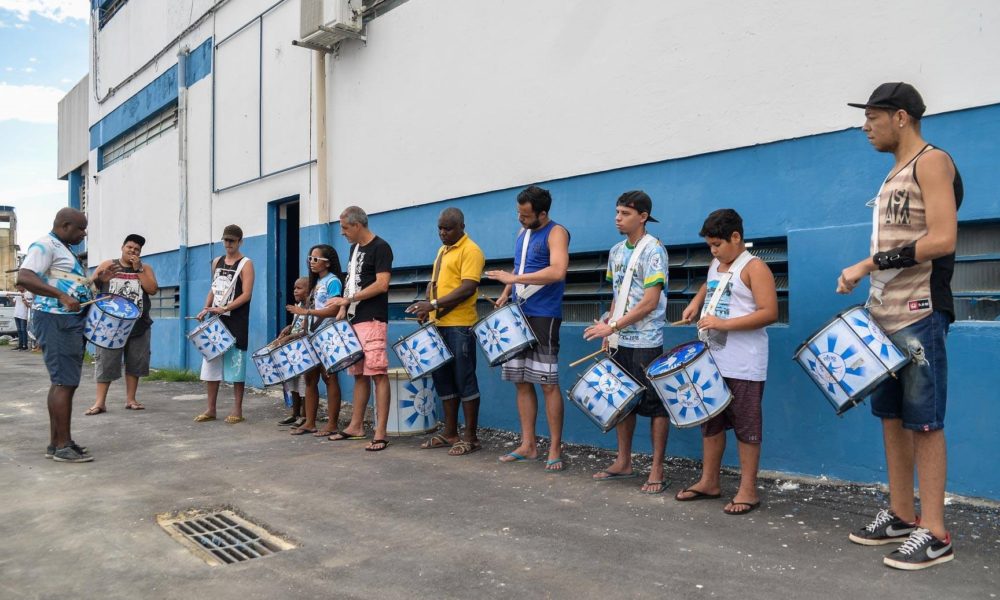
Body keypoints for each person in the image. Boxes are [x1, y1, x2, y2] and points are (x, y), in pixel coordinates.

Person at [839, 82, 962, 570]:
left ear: (901, 117)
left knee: (925, 422)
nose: (865, 126)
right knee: (891, 418)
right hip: (883, 314)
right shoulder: (894, 173)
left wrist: (869, 263)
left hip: (920, 312)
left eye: (873, 116)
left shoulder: (932, 162)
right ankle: (901, 514)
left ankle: (936, 533)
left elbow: (944, 237)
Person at [673, 209, 777, 515]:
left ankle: (748, 490)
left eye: (717, 244)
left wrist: (723, 323)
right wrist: (695, 302)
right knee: (711, 423)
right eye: (710, 246)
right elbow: (711, 284)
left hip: (744, 363)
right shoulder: (717, 263)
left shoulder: (755, 267)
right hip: (713, 359)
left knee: (747, 427)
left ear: (736, 237)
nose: (714, 251)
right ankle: (709, 481)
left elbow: (769, 312)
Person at [16, 207, 119, 463]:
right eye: (80, 228)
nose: (84, 234)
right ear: (65, 225)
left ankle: (59, 442)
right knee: (64, 382)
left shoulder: (64, 249)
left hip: (67, 321)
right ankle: (62, 445)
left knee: (64, 382)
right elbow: (24, 277)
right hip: (56, 320)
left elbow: (69, 285)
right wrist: (61, 296)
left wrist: (97, 282)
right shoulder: (44, 245)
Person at [583, 191, 670, 493]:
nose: (617, 218)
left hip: (646, 340)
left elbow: (649, 302)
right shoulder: (616, 251)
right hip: (619, 338)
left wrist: (614, 326)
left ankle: (657, 468)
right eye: (617, 212)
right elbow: (617, 295)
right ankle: (624, 461)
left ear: (643, 216)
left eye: (625, 213)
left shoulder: (654, 251)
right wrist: (609, 324)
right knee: (623, 401)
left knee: (655, 406)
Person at [485, 185, 569, 471]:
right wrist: (506, 291)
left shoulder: (557, 232)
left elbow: (558, 271)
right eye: (518, 213)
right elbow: (520, 266)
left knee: (547, 383)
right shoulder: (524, 232)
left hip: (544, 314)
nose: (520, 218)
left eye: (525, 215)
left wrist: (514, 277)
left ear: (542, 213)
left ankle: (555, 447)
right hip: (519, 313)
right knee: (521, 380)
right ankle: (528, 444)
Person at [406, 207, 487, 456]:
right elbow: (436, 284)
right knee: (444, 380)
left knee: (465, 379)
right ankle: (450, 432)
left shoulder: (471, 250)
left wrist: (433, 305)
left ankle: (470, 437)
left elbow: (467, 288)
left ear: (462, 226)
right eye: (440, 228)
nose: (442, 233)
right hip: (438, 325)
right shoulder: (443, 251)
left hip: (460, 326)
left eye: (448, 228)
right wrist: (427, 311)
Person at [329, 206, 394, 451]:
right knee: (358, 374)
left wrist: (350, 299)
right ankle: (356, 425)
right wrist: (343, 309)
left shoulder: (381, 247)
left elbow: (382, 284)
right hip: (354, 319)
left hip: (373, 318)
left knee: (377, 373)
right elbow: (350, 281)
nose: (343, 233)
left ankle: (380, 432)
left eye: (345, 228)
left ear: (357, 225)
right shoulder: (353, 249)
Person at [85, 234, 159, 414]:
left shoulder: (145, 268)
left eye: (136, 250)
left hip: (138, 324)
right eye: (130, 247)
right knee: (106, 362)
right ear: (122, 247)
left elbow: (152, 289)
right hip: (111, 326)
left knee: (136, 362)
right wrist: (100, 279)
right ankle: (99, 402)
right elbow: (89, 287)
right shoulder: (108, 265)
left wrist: (138, 269)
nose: (132, 251)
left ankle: (131, 399)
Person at [194, 225, 254, 424]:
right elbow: (213, 289)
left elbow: (246, 294)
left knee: (236, 362)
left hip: (236, 319)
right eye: (226, 240)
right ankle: (211, 408)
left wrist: (225, 307)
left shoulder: (246, 264)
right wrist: (206, 308)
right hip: (216, 319)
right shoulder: (217, 262)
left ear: (240, 242)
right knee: (211, 362)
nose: (228, 244)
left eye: (232, 241)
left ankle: (237, 409)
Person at [286, 244, 345, 437]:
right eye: (310, 258)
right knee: (310, 379)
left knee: (329, 379)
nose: (311, 262)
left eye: (315, 259)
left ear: (327, 262)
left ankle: (332, 424)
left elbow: (335, 309)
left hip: (327, 336)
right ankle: (310, 422)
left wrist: (307, 312)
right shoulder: (315, 284)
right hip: (311, 337)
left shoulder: (333, 281)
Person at [277, 276, 310, 427]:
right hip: (293, 352)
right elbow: (296, 325)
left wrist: (289, 337)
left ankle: (304, 415)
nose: (295, 290)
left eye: (299, 288)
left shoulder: (309, 308)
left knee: (303, 384)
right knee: (294, 384)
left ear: (308, 290)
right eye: (294, 288)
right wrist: (288, 328)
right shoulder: (298, 307)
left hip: (303, 352)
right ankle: (294, 413)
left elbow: (306, 331)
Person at [12, 285, 31, 351]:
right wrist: (8, 298)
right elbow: (14, 303)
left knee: (23, 330)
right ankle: (20, 345)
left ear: (23, 286)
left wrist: (24, 299)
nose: (18, 288)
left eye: (19, 287)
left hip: (23, 314)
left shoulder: (28, 293)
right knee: (19, 330)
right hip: (16, 314)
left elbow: (29, 305)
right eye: (17, 287)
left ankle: (24, 345)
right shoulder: (17, 293)